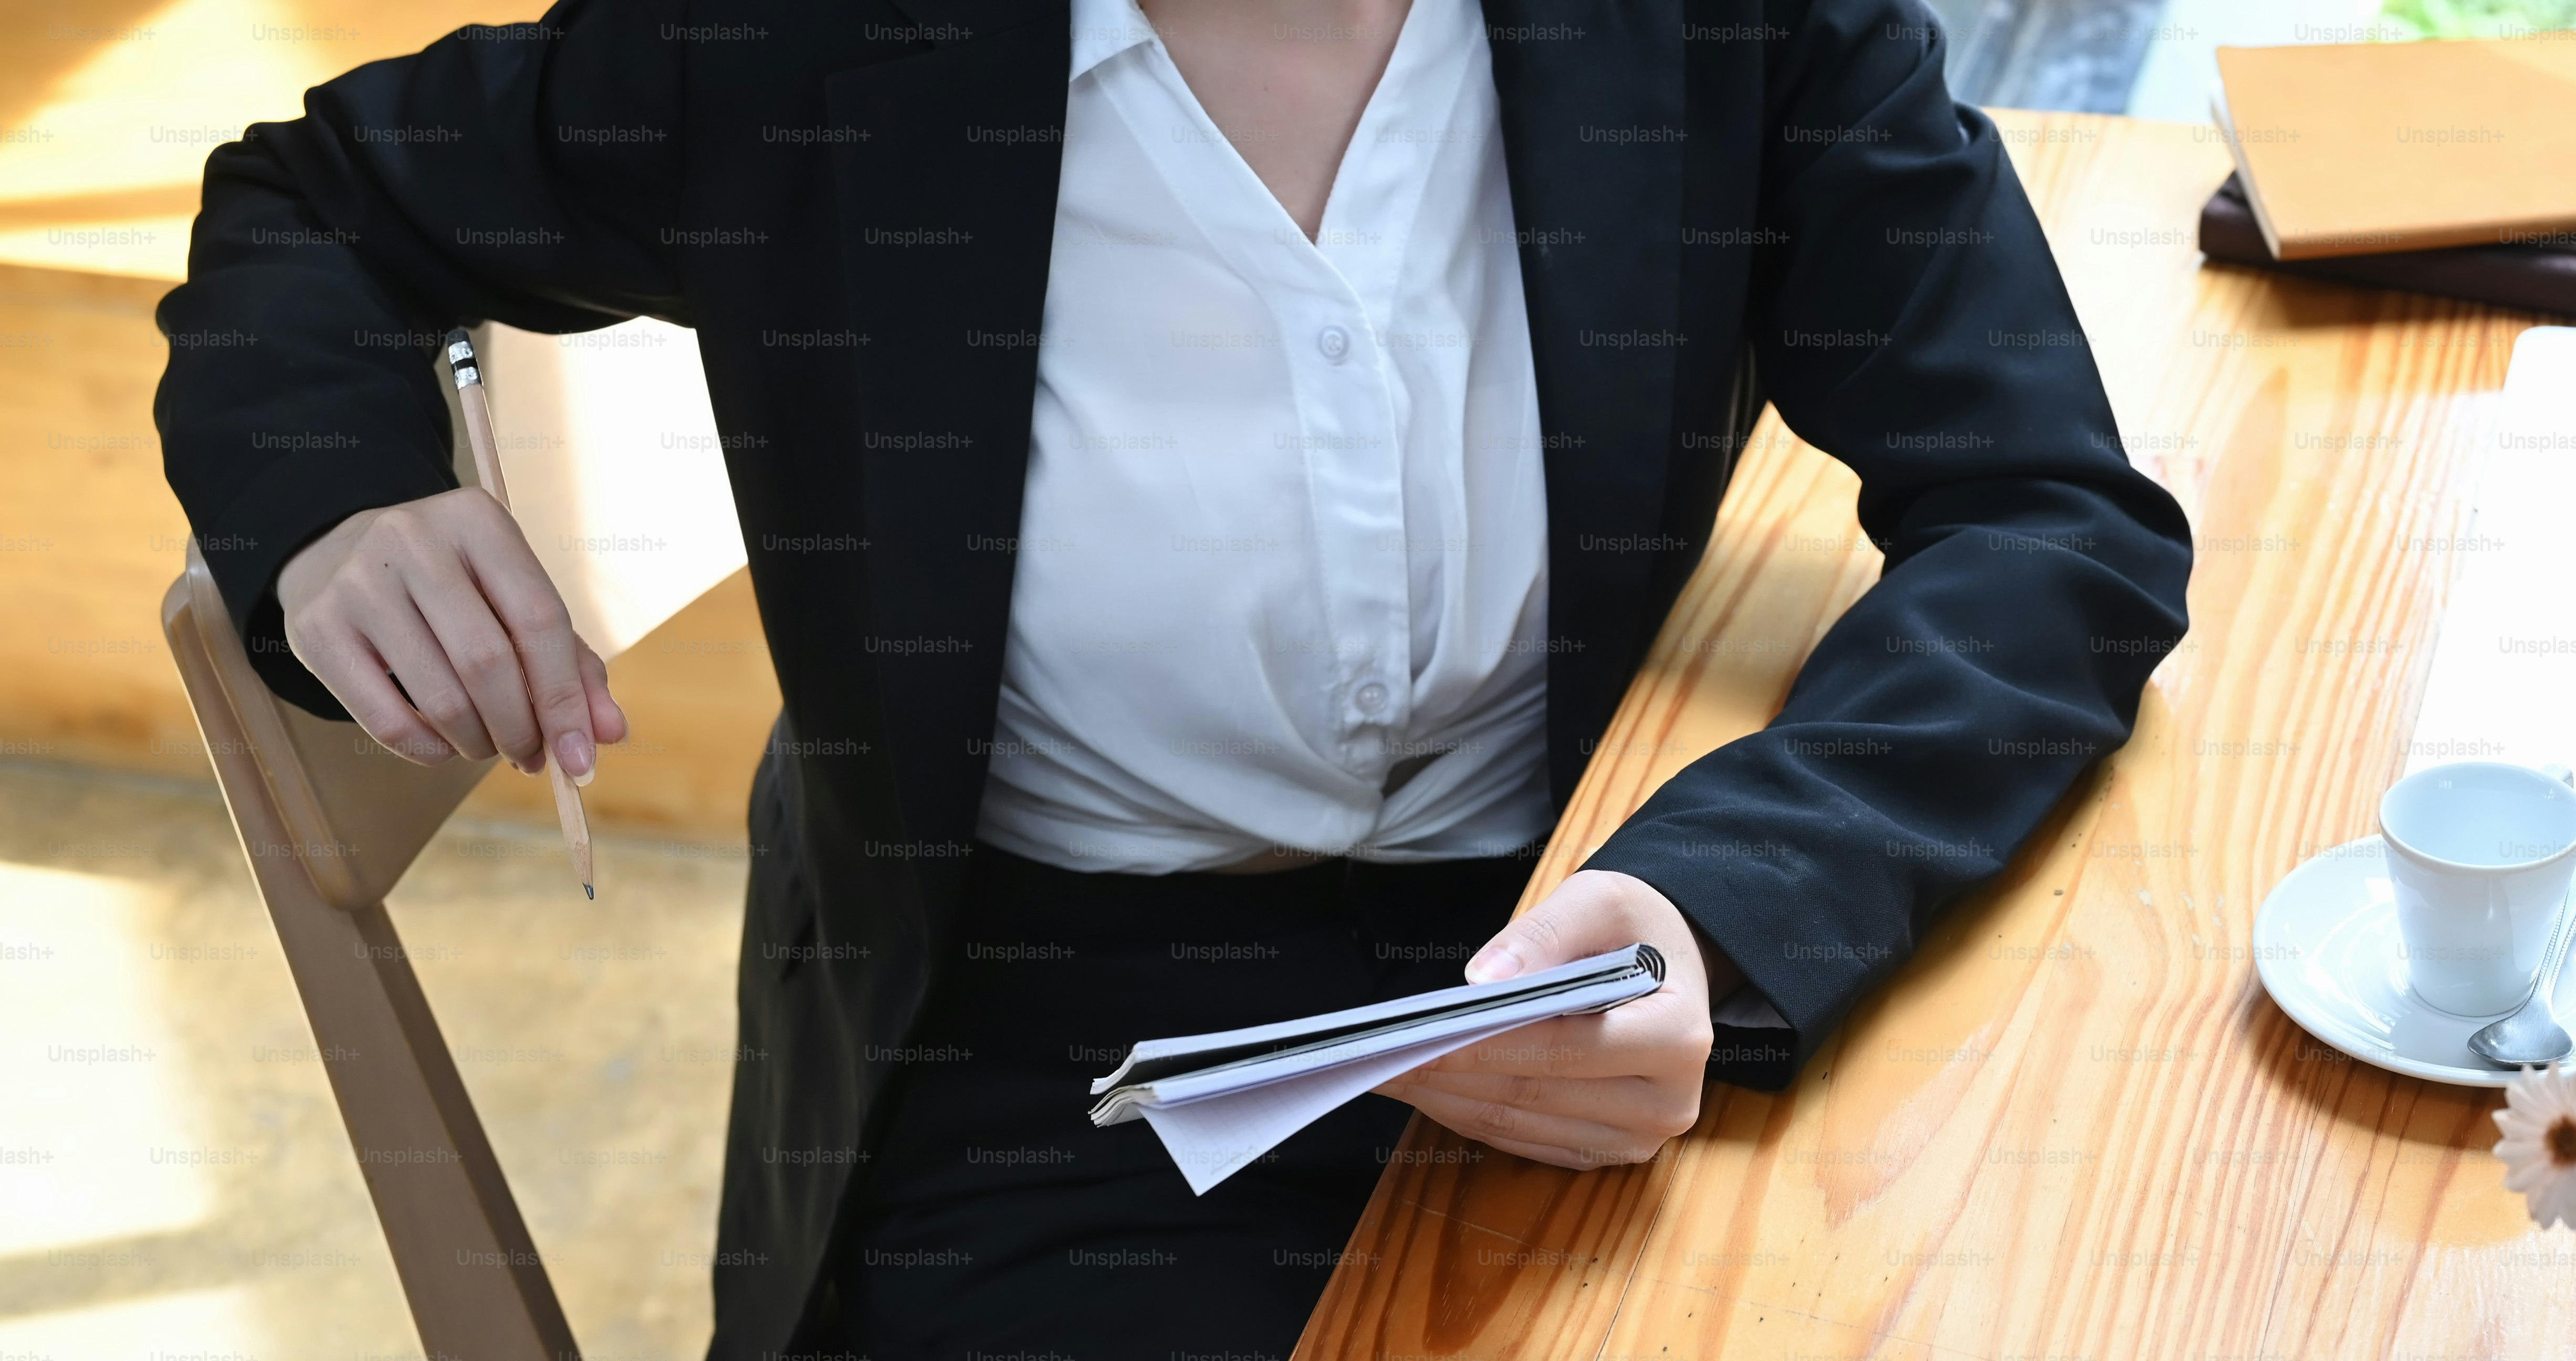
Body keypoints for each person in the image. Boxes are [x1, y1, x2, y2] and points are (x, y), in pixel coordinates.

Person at [156, 0, 2192, 1354]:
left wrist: (1719, 902)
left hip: (1575, 941)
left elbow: (2042, 511)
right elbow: (314, 202)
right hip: (1043, 1046)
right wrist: (339, 493)